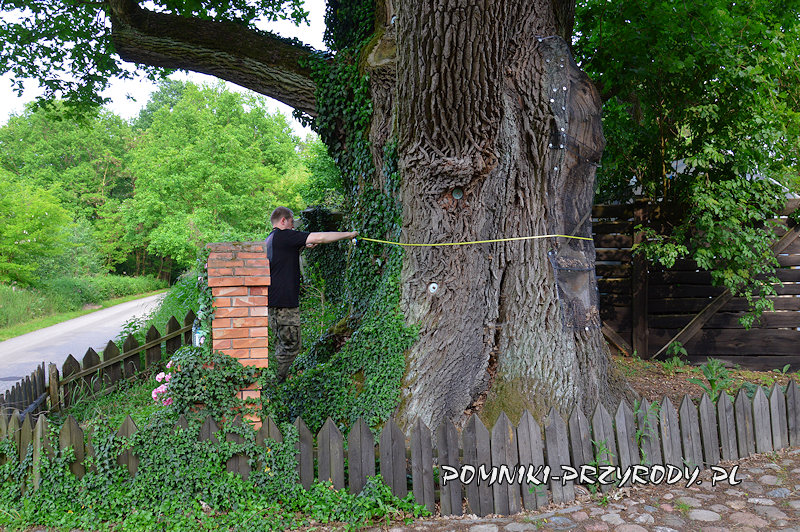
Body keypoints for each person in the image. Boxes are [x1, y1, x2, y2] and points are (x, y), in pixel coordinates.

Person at [266, 206, 357, 382]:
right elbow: (320, 237)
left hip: (274, 303)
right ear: (283, 221)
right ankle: (274, 386)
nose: (294, 227)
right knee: (291, 347)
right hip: (285, 305)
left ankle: (274, 385)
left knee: (282, 346)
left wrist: (303, 246)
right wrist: (349, 235)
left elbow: (283, 257)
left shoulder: (271, 239)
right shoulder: (284, 235)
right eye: (292, 223)